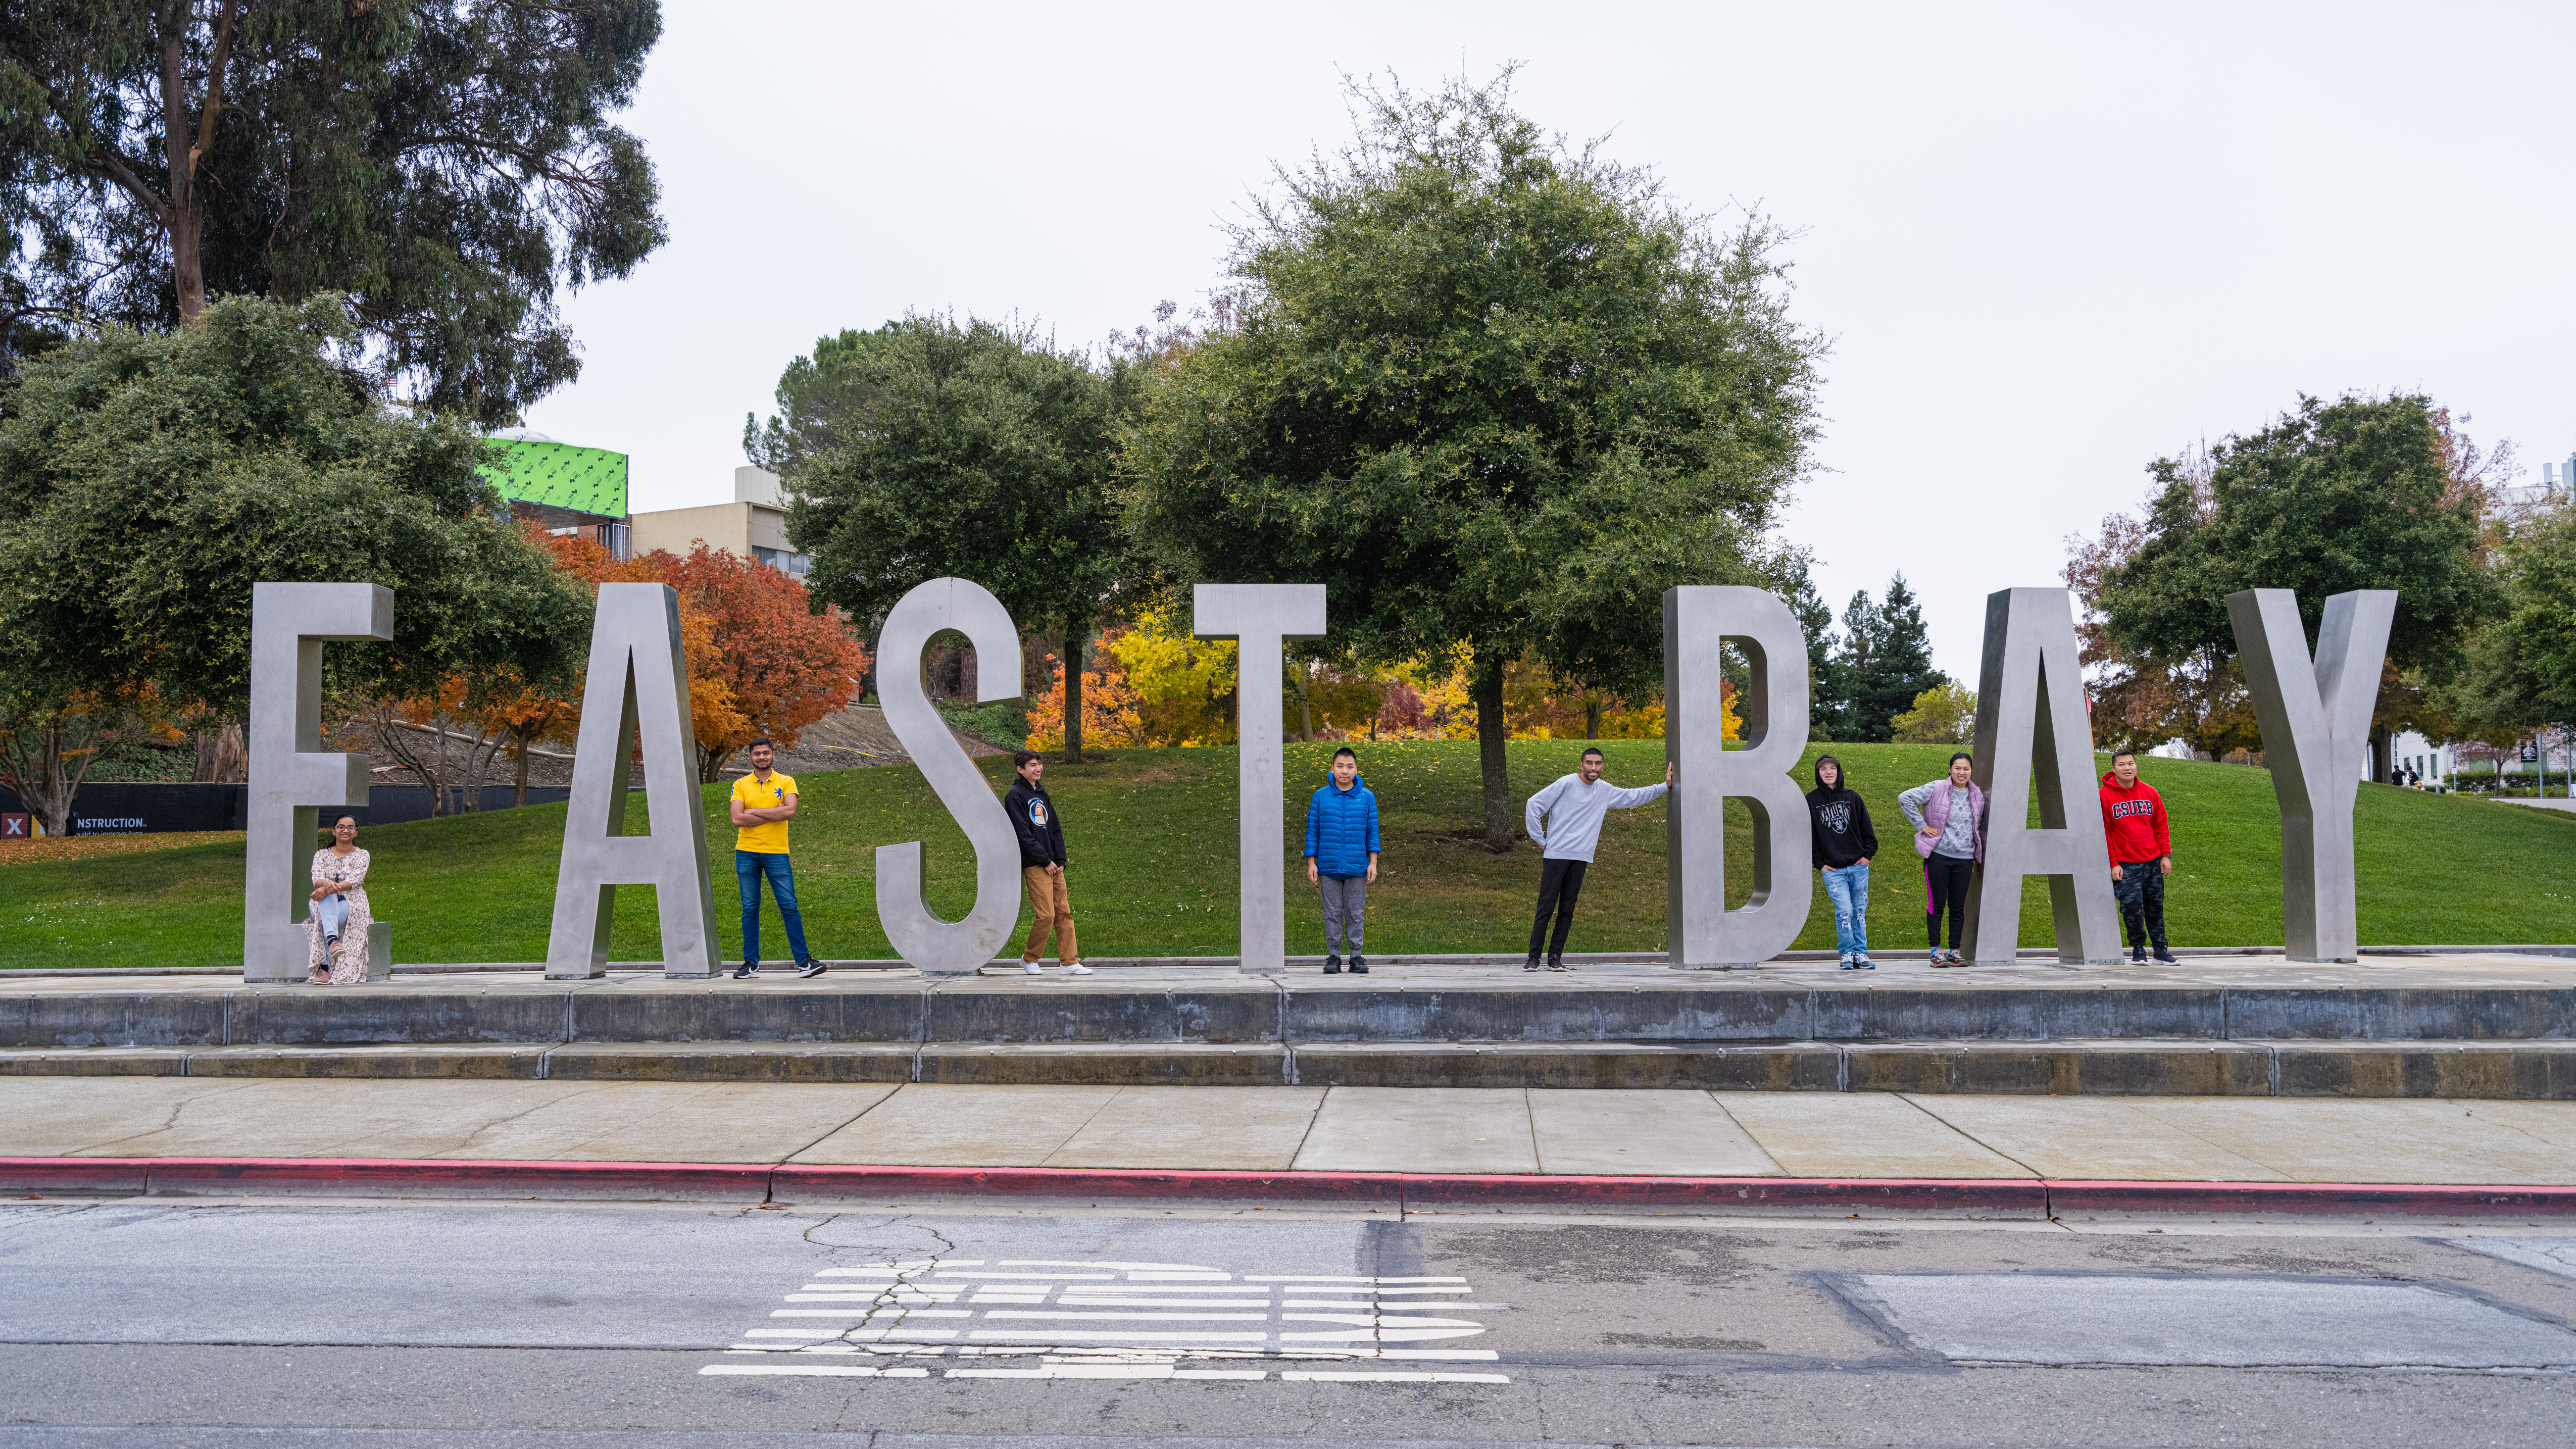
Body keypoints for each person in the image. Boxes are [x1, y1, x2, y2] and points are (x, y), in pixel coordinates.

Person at [1522, 747, 1675, 971]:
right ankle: (1533, 959)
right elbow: (1534, 804)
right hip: (1556, 856)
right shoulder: (1566, 783)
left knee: (1567, 909)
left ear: (1603, 766)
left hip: (1581, 857)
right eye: (1589, 763)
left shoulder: (1605, 791)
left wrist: (1665, 786)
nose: (1594, 768)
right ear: (1582, 764)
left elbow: (1634, 796)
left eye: (1598, 764)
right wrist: (1540, 838)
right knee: (1545, 908)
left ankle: (1555, 958)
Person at [729, 737, 823, 980]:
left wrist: (753, 811)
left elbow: (790, 812)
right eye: (757, 754)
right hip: (746, 852)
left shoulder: (786, 781)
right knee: (750, 908)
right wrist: (775, 813)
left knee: (789, 906)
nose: (762, 757)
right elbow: (737, 819)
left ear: (773, 754)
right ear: (750, 757)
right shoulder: (740, 784)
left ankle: (804, 963)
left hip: (777, 853)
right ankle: (751, 964)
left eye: (766, 753)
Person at [1005, 750, 1092, 975]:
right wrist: (1045, 860)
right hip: (1036, 865)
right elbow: (1023, 835)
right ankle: (1029, 958)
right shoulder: (1015, 797)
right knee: (1047, 914)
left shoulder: (1042, 794)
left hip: (1054, 865)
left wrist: (1059, 858)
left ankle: (1069, 962)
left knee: (1064, 913)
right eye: (1033, 765)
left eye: (1040, 764)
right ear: (1020, 769)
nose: (1038, 768)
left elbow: (1054, 828)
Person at [1899, 753, 1986, 967]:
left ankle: (1955, 951)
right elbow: (1905, 798)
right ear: (1950, 769)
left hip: (1965, 860)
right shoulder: (1936, 788)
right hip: (1938, 857)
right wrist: (1922, 826)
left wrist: (1975, 856)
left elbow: (1979, 826)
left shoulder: (1977, 795)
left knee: (1958, 906)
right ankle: (1936, 952)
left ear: (1971, 771)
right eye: (1957, 768)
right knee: (1936, 905)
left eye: (1966, 769)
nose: (1962, 773)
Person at [1303, 745, 1382, 974]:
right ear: (1333, 769)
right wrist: (1312, 863)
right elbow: (1312, 832)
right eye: (1340, 766)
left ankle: (1356, 957)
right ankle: (1334, 957)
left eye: (1350, 767)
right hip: (1328, 867)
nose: (1345, 771)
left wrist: (1373, 862)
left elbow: (1372, 831)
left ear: (1357, 770)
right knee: (1333, 913)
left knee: (1356, 912)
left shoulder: (1367, 798)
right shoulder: (1320, 797)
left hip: (1357, 867)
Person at [2099, 747, 2176, 964]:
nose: (2127, 768)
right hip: (2125, 864)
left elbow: (2161, 824)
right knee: (2132, 908)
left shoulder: (2150, 792)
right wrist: (2113, 863)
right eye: (2122, 765)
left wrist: (2165, 855)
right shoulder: (2103, 796)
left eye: (2130, 764)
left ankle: (2161, 950)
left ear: (2136, 765)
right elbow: (2104, 833)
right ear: (2113, 769)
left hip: (2152, 861)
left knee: (2155, 907)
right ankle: (2138, 949)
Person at [1807, 755, 1878, 970]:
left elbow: (1868, 831)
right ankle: (1847, 953)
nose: (1828, 772)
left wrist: (1867, 856)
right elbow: (1809, 835)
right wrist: (1819, 863)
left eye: (1832, 768)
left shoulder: (1852, 797)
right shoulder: (1811, 801)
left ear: (1839, 771)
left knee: (1858, 910)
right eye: (1823, 769)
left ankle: (1861, 953)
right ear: (1818, 774)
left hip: (1858, 867)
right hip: (1833, 869)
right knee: (1844, 910)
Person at [304, 815, 372, 984]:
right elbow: (316, 878)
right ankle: (334, 941)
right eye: (341, 827)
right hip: (324, 901)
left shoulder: (362, 855)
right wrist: (327, 885)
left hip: (353, 902)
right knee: (328, 899)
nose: (346, 830)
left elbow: (354, 881)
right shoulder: (321, 855)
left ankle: (325, 967)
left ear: (356, 833)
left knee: (323, 916)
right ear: (334, 831)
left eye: (351, 827)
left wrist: (327, 887)